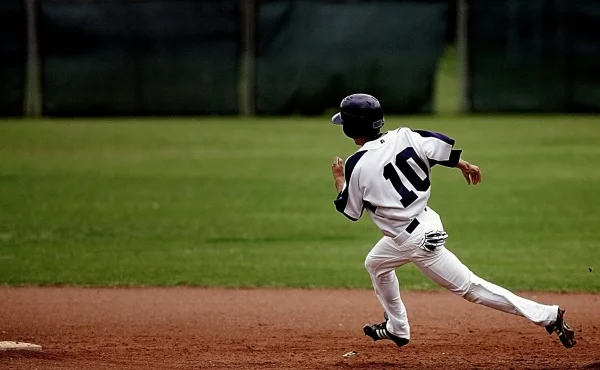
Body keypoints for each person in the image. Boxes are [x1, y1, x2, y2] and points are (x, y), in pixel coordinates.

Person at [329, 93, 576, 349]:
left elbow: (351, 210)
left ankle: (548, 315)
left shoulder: (355, 164)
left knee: (471, 288)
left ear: (350, 128)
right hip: (423, 223)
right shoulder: (405, 135)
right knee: (376, 264)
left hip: (413, 240)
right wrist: (463, 165)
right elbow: (438, 148)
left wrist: (339, 179)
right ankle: (397, 328)